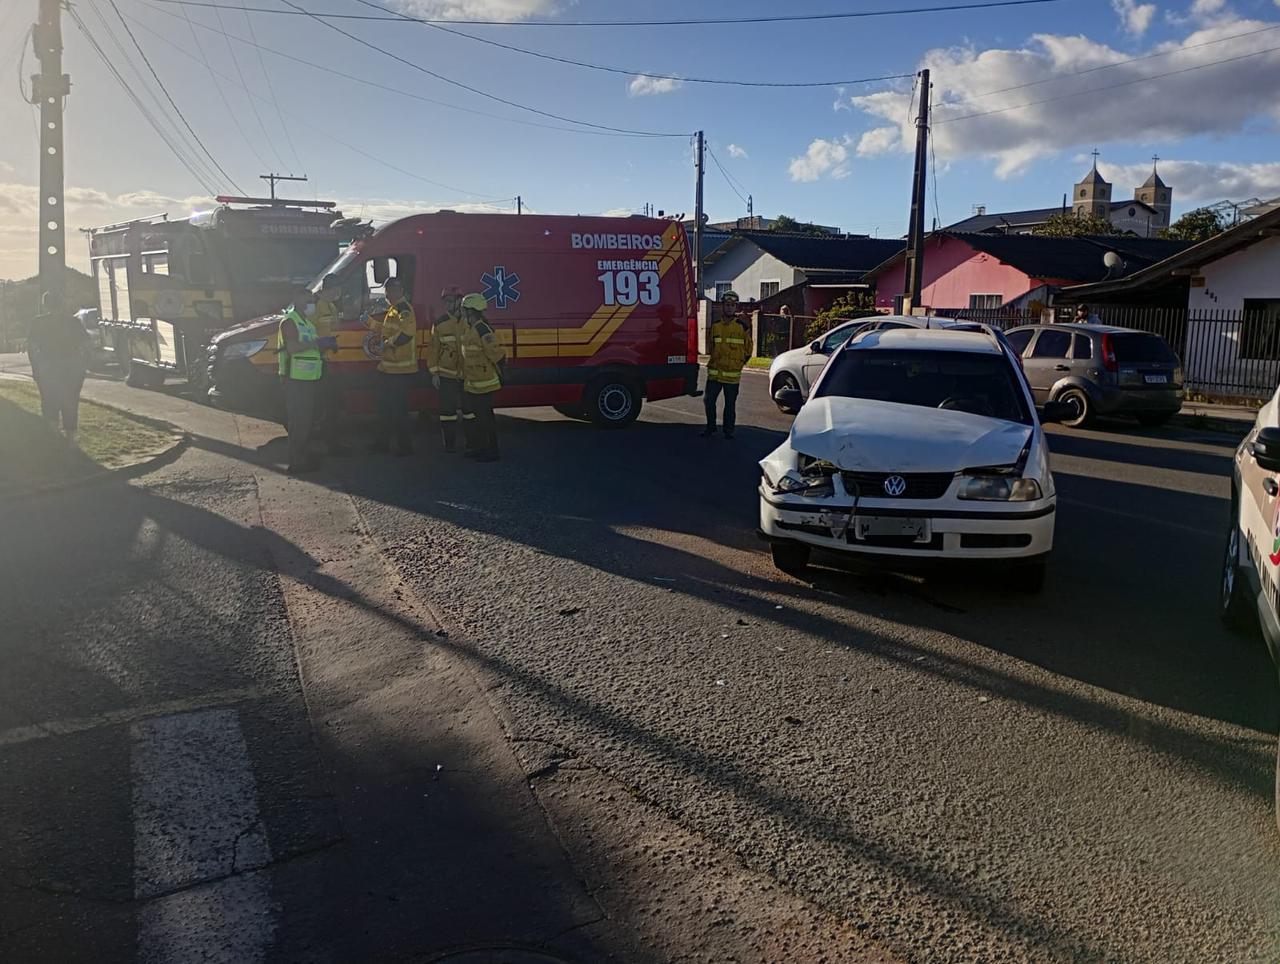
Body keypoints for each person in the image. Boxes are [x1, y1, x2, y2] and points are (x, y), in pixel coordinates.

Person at [278, 299, 338, 474]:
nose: (313, 305)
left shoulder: (307, 323)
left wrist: (326, 344)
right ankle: (296, 463)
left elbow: (311, 347)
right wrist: (316, 344)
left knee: (305, 421)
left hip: (308, 379)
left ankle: (302, 456)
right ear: (301, 304)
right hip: (295, 380)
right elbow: (292, 348)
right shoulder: (290, 321)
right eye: (310, 301)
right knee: (298, 422)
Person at [27, 292, 89, 447]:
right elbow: (87, 345)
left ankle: (54, 434)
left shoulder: (38, 322)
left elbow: (31, 348)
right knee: (71, 400)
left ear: (45, 304)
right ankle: (70, 437)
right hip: (72, 366)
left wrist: (35, 368)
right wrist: (83, 366)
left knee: (48, 399)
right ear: (62, 304)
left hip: (48, 365)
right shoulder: (73, 322)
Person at [366, 277, 418, 456]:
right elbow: (388, 329)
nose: (386, 295)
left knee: (399, 411)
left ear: (396, 291)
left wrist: (387, 344)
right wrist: (371, 323)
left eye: (388, 291)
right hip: (388, 368)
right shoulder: (394, 310)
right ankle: (382, 443)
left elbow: (407, 334)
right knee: (385, 409)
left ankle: (405, 447)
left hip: (400, 370)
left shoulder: (404, 309)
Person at [459, 292, 505, 462]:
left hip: (485, 382)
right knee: (478, 418)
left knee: (486, 419)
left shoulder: (481, 329)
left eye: (464, 310)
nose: (462, 313)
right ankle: (480, 448)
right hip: (474, 382)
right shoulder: (471, 328)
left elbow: (496, 354)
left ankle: (492, 450)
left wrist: (503, 373)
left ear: (472, 311)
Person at [308, 273, 350, 456]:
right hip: (320, 363)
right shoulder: (315, 307)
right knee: (323, 406)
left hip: (333, 363)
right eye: (337, 289)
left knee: (334, 405)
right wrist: (322, 344)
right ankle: (322, 445)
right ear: (328, 289)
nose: (339, 293)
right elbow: (307, 334)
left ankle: (333, 443)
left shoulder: (332, 306)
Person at [703, 290, 752, 439]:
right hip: (715, 373)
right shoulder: (716, 326)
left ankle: (728, 431)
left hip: (732, 375)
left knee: (730, 405)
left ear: (735, 307)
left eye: (732, 305)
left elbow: (748, 350)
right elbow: (710, 347)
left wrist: (738, 365)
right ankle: (710, 428)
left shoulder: (742, 327)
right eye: (727, 305)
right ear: (722, 306)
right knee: (708, 401)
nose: (729, 308)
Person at [426, 285, 466, 453]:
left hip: (467, 374)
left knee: (470, 411)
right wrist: (434, 373)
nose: (447, 305)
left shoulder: (468, 321)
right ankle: (449, 445)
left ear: (459, 302)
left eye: (451, 301)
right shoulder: (440, 323)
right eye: (445, 302)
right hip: (446, 374)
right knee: (447, 412)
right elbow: (433, 350)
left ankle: (473, 443)